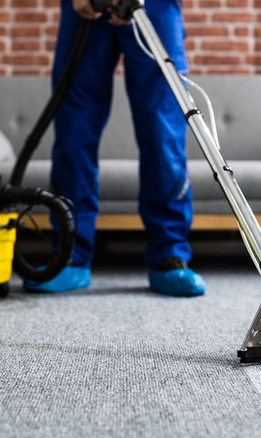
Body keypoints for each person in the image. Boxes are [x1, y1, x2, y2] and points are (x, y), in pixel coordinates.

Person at [24, 0, 205, 296]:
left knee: (163, 135)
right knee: (74, 132)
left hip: (155, 8)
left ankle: (169, 256)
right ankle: (70, 256)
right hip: (85, 7)